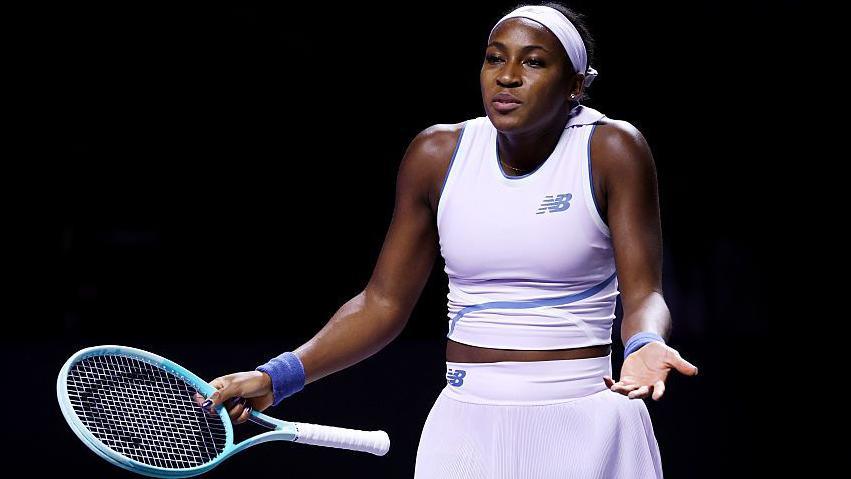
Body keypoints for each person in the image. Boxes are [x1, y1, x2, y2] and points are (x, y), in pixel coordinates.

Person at [201, 2, 699, 477]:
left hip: (587, 422)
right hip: (464, 426)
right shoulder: (437, 154)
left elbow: (644, 294)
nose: (507, 76)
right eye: (494, 59)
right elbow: (382, 302)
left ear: (575, 84)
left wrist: (645, 343)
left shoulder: (612, 148)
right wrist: (276, 378)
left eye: (534, 62)